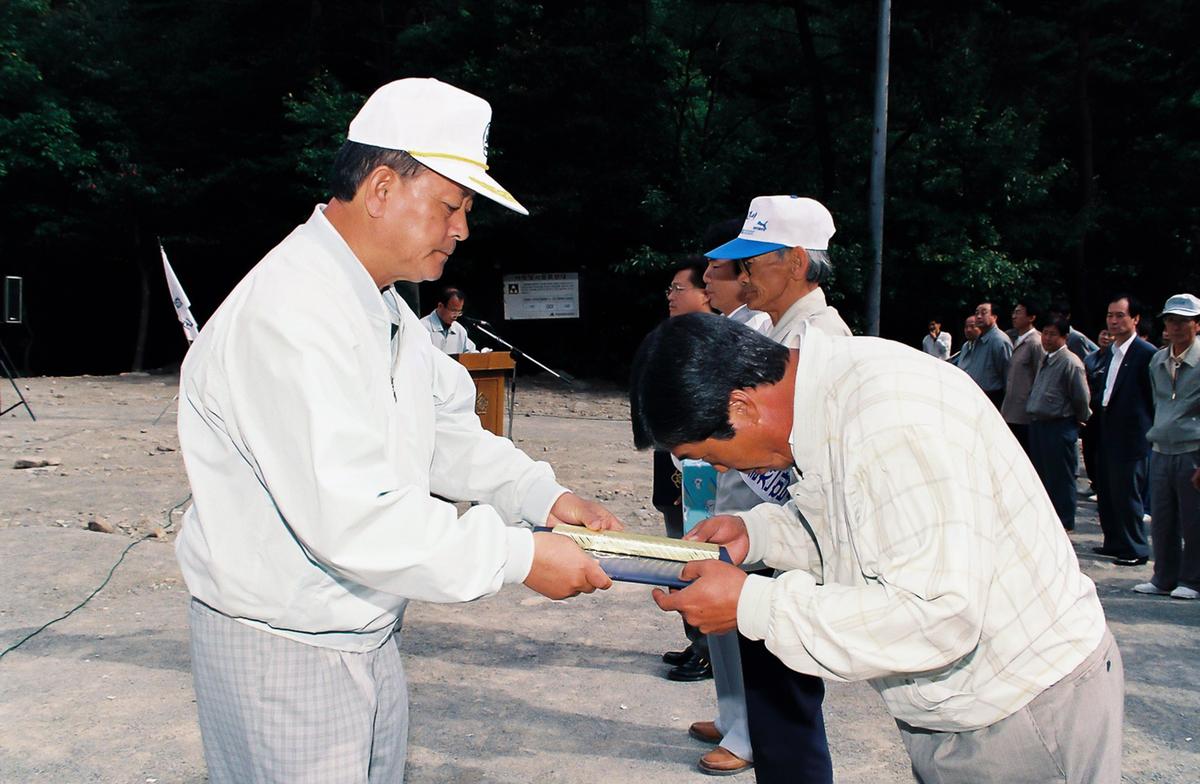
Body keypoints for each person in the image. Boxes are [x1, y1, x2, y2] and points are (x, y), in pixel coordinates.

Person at [175, 78, 620, 784]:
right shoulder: (292, 314)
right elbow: (355, 518)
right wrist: (519, 556)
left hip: (358, 629)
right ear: (381, 188)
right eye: (452, 205)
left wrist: (543, 497)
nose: (463, 229)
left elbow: (440, 428)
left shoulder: (378, 306)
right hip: (285, 646)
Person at [630, 314, 1123, 784]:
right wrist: (756, 534)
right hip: (979, 707)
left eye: (706, 455)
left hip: (1020, 711)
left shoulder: (889, 422)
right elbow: (861, 530)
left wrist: (753, 605)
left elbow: (940, 616)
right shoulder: (831, 396)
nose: (719, 470)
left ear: (740, 407)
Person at [701, 194, 846, 783]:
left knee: (785, 704)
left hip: (792, 544)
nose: (743, 275)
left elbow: (807, 467)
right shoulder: (782, 332)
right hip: (770, 535)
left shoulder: (815, 341)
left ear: (795, 261)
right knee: (769, 695)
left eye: (753, 261)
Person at [673, 233, 773, 776]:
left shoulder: (762, 331)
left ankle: (749, 733)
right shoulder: (735, 328)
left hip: (758, 506)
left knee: (746, 622)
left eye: (717, 270)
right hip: (730, 497)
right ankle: (732, 715)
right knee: (725, 628)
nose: (707, 277)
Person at [655, 257, 716, 682]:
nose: (671, 296)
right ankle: (696, 641)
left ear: (705, 293)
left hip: (702, 470)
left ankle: (710, 652)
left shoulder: (718, 340)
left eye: (679, 289)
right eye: (670, 290)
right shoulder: (675, 335)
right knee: (679, 555)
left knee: (700, 556)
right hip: (672, 461)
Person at [1133, 294, 1200, 600]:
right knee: (1162, 518)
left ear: (1196, 325)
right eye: (1171, 320)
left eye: (1183, 321)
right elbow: (1156, 402)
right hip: (1161, 447)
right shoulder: (1158, 360)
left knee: (1193, 519)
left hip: (1192, 449)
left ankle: (1193, 580)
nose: (1176, 327)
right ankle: (1163, 577)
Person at [1093, 294, 1157, 566]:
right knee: (1107, 489)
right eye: (1110, 315)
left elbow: (1152, 396)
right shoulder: (1111, 351)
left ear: (1135, 319)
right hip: (1107, 425)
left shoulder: (1145, 353)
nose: (1114, 321)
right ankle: (1114, 541)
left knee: (1127, 492)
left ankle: (1135, 548)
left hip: (1132, 433)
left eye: (1120, 315)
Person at [1026, 317, 1091, 531]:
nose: (1047, 338)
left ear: (1065, 337)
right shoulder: (1045, 358)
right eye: (1045, 333)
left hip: (1059, 424)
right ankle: (1048, 518)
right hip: (1039, 424)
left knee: (1061, 477)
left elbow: (1081, 397)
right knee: (1043, 474)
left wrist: (1080, 417)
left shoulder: (1070, 362)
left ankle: (1064, 521)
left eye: (1053, 334)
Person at [1001, 301, 1045, 453]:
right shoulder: (1015, 339)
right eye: (1014, 312)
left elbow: (1039, 376)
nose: (1014, 316)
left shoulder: (1035, 342)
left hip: (1024, 413)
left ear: (1031, 317)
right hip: (1010, 409)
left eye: (1019, 312)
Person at [956, 301, 1013, 408]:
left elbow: (1007, 374)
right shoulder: (977, 340)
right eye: (977, 313)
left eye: (983, 313)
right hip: (975, 395)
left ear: (994, 317)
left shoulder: (999, 340)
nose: (978, 316)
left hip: (992, 398)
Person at [421, 285, 477, 353]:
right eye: (453, 311)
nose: (456, 316)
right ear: (440, 306)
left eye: (459, 312)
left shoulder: (460, 331)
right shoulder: (423, 327)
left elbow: (471, 354)